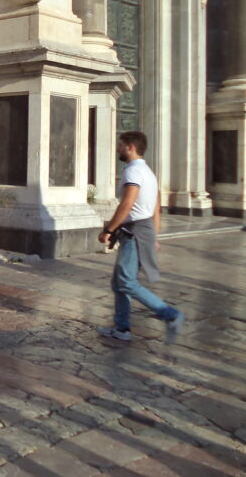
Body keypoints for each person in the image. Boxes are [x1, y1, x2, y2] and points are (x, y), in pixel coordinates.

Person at [98, 131, 185, 344]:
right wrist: (153, 234)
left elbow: (127, 203)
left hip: (135, 231)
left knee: (126, 282)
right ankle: (122, 328)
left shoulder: (133, 172)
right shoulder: (147, 172)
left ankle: (170, 314)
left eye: (120, 145)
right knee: (119, 282)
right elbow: (156, 205)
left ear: (130, 146)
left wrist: (109, 229)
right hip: (142, 230)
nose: (118, 149)